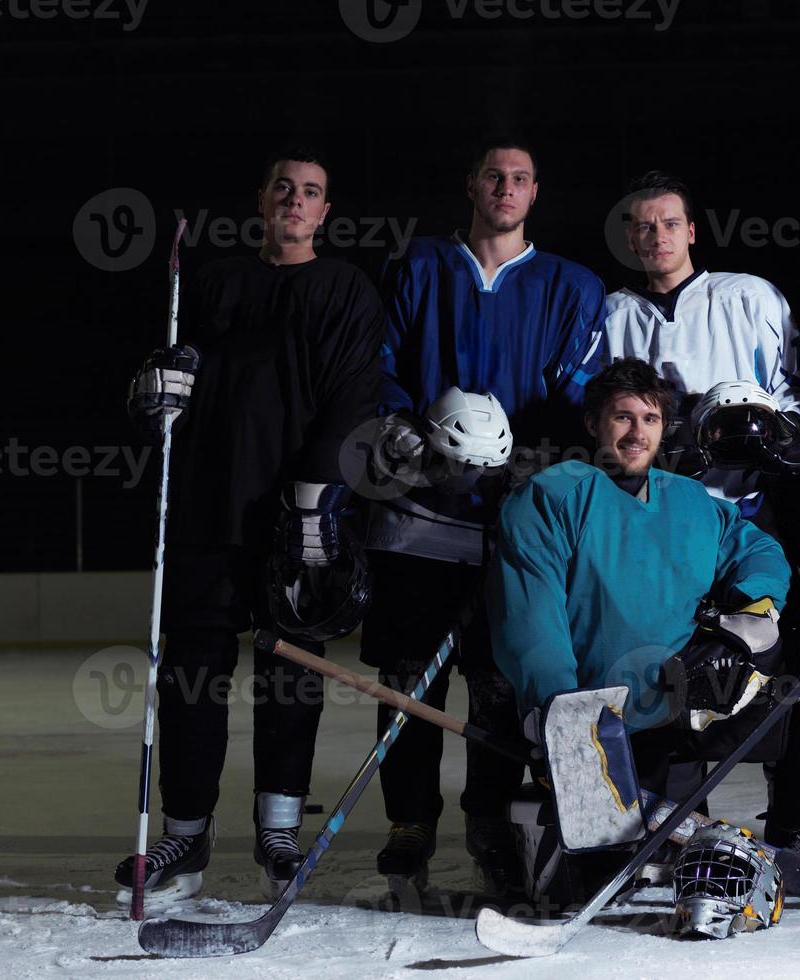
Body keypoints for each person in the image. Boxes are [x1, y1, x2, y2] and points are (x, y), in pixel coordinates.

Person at [486, 357, 800, 897]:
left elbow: (760, 551)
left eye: (649, 419)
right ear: (592, 425)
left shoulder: (689, 500)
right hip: (594, 725)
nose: (636, 433)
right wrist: (566, 721)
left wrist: (744, 622)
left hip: (680, 711)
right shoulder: (552, 497)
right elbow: (531, 622)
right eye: (622, 417)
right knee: (604, 878)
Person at [117, 145, 384, 904]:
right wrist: (156, 388)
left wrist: (316, 498)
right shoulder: (214, 282)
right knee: (191, 679)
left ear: (325, 212)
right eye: (283, 188)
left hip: (297, 517)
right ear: (261, 199)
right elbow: (180, 370)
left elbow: (352, 398)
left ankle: (277, 829)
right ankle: (187, 831)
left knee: (290, 674)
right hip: (208, 510)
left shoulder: (345, 290)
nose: (294, 201)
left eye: (310, 192)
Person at [361, 137, 607, 895]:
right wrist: (400, 428)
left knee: (498, 682)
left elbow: (582, 388)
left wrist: (550, 456)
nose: (506, 187)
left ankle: (488, 816)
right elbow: (383, 364)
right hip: (419, 515)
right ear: (470, 184)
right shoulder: (416, 267)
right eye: (494, 175)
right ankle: (409, 819)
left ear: (536, 193)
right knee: (410, 679)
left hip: (517, 522)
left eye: (521, 178)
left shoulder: (572, 285)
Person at [601, 171, 800, 531]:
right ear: (630, 238)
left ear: (691, 232)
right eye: (645, 227)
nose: (659, 237)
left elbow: (790, 391)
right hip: (651, 510)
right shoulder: (609, 315)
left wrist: (787, 433)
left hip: (748, 507)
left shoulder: (750, 296)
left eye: (671, 224)